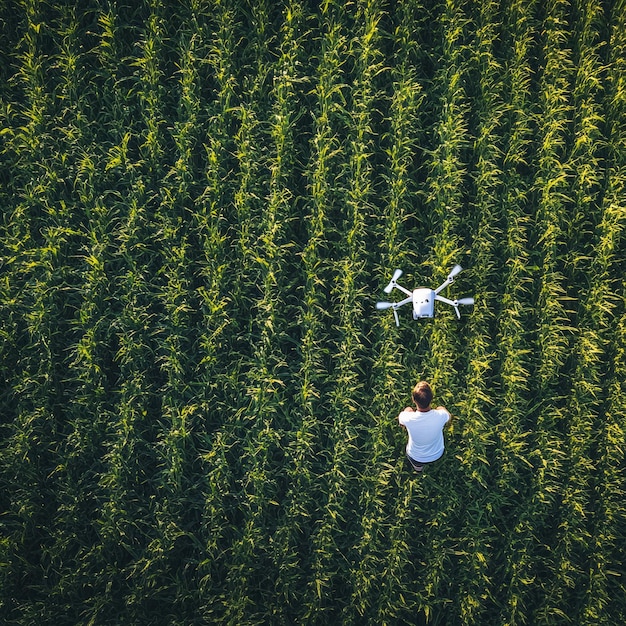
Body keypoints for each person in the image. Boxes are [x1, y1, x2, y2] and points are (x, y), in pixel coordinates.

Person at [398, 381, 451, 472]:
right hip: (437, 453)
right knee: (440, 408)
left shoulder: (407, 418)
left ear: (413, 400)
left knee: (408, 409)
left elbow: (401, 421)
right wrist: (440, 409)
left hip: (416, 456)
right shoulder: (440, 416)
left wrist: (409, 410)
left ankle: (418, 469)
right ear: (431, 398)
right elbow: (448, 417)